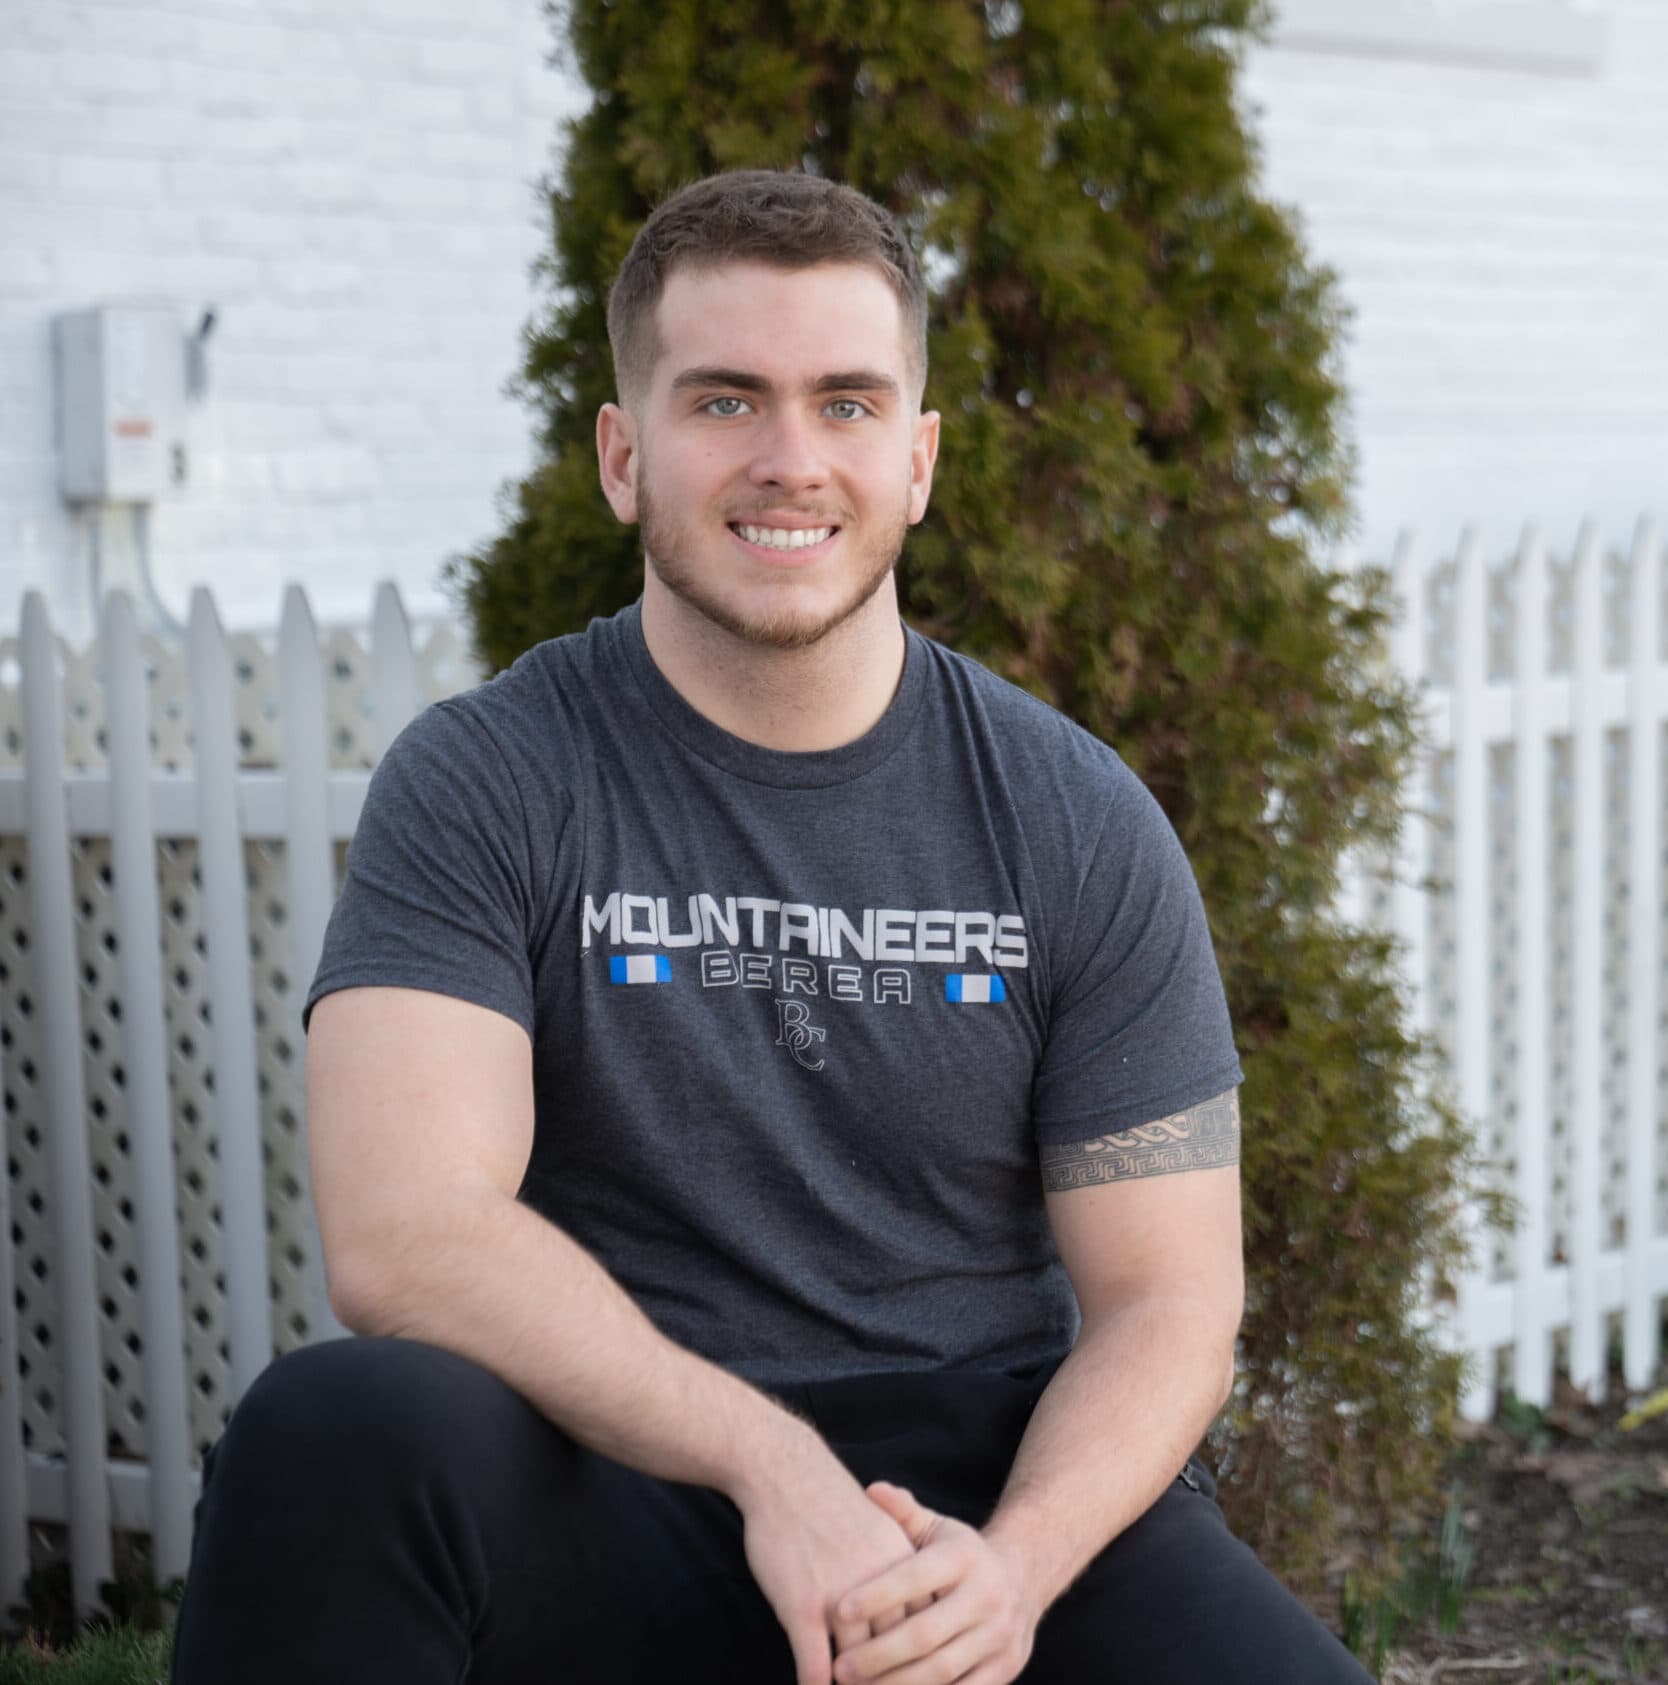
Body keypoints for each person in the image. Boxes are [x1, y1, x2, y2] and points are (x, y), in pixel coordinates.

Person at [168, 168, 1373, 1685]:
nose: (792, 459)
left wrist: (1011, 1573)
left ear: (920, 458)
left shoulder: (1073, 815)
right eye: (725, 402)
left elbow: (1171, 1296)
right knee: (332, 1430)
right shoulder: (489, 779)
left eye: (849, 404)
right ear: (623, 455)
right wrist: (770, 1465)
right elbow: (407, 1234)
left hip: (979, 1485)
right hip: (614, 1459)